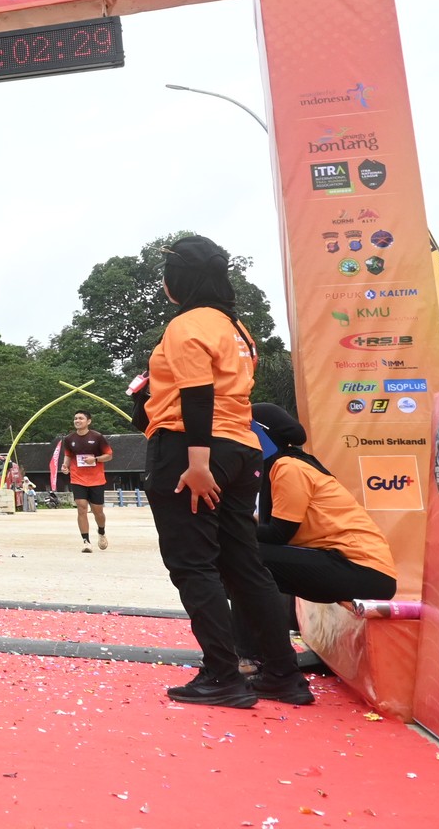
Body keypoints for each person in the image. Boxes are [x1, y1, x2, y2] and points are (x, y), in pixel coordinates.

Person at [135, 235, 312, 708]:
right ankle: (283, 675)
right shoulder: (237, 328)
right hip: (241, 447)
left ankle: (222, 674)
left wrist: (196, 464)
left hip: (190, 448)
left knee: (193, 564)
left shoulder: (186, 325)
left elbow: (197, 396)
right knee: (243, 563)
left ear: (179, 279)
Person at [245, 402, 396, 662]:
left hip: (363, 571)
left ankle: (262, 659)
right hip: (352, 566)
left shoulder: (288, 467)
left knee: (244, 556)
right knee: (242, 559)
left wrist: (231, 527)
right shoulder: (284, 465)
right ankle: (259, 656)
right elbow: (270, 527)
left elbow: (279, 535)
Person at [60, 410, 113, 552]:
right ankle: (86, 541)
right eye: (75, 418)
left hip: (96, 479)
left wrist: (95, 459)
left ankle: (101, 532)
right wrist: (65, 466)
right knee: (81, 507)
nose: (77, 421)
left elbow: (109, 455)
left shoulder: (97, 437)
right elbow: (68, 455)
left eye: (81, 418)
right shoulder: (69, 439)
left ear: (88, 421)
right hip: (77, 478)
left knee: (98, 512)